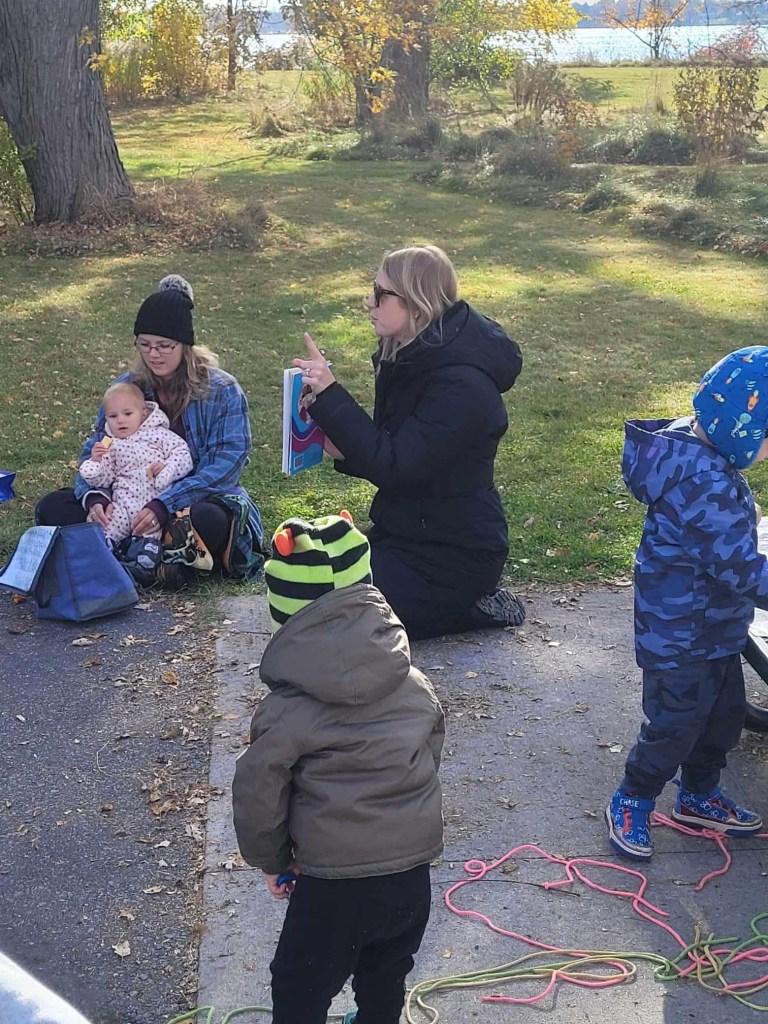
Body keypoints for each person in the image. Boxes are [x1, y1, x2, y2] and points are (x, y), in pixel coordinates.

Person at [232, 511, 444, 1024]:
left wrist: (274, 859)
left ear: (286, 619)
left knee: (300, 984)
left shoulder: (285, 711)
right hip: (410, 874)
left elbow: (258, 793)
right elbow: (430, 750)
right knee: (386, 972)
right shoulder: (414, 685)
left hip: (333, 885)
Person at [293, 244, 524, 641]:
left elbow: (397, 466)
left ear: (416, 302)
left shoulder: (462, 384)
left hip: (454, 556)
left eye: (380, 294)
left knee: (341, 616)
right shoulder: (412, 356)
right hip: (407, 533)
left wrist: (331, 395)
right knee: (311, 582)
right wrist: (339, 445)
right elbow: (398, 450)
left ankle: (472, 606)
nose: (369, 302)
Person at [606, 345, 768, 861]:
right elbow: (740, 567)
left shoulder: (702, 452)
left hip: (714, 627)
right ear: (741, 429)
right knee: (674, 727)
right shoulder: (702, 481)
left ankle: (698, 794)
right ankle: (633, 796)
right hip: (680, 633)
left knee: (723, 718)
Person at [36, 275, 264, 589]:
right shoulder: (127, 387)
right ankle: (157, 560)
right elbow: (96, 448)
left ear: (185, 345)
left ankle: (125, 554)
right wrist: (95, 499)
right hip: (125, 501)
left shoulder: (223, 390)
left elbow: (225, 468)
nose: (154, 354)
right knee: (53, 506)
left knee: (210, 520)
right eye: (144, 345)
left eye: (164, 346)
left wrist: (163, 505)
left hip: (189, 504)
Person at [78, 382, 194, 584]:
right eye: (113, 416)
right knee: (106, 525)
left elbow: (183, 456)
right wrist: (96, 462)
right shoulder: (111, 444)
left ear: (143, 413)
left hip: (154, 502)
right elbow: (105, 479)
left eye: (127, 414)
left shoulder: (160, 434)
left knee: (150, 534)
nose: (120, 421)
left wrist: (166, 468)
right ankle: (105, 558)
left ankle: (143, 566)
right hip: (123, 502)